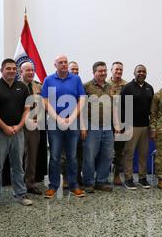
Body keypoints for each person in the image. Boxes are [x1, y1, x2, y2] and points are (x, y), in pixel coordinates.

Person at [0, 59, 33, 208]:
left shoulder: (22, 87)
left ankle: (20, 194)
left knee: (18, 165)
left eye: (14, 68)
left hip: (18, 132)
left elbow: (27, 110)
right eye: (8, 68)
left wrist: (19, 126)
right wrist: (5, 127)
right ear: (1, 70)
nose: (12, 71)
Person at [41, 55, 86, 198]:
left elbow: (82, 100)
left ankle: (73, 185)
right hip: (55, 124)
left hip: (73, 123)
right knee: (54, 156)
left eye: (65, 62)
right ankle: (53, 186)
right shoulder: (48, 80)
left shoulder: (76, 79)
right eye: (60, 62)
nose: (64, 64)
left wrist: (71, 118)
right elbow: (45, 101)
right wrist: (58, 118)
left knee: (72, 157)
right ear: (55, 65)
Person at [81, 61, 114, 193]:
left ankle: (101, 181)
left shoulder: (110, 87)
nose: (103, 73)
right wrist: (83, 127)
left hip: (107, 126)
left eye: (105, 70)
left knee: (107, 155)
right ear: (94, 72)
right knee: (89, 156)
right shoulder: (86, 86)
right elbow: (82, 108)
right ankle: (88, 182)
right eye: (100, 71)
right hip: (91, 125)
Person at [121, 64, 154, 189]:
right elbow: (122, 108)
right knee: (129, 153)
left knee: (143, 153)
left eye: (143, 71)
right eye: (139, 71)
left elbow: (152, 109)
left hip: (145, 126)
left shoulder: (149, 88)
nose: (141, 73)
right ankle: (128, 178)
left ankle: (142, 178)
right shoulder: (127, 88)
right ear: (134, 73)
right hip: (131, 126)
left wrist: (151, 126)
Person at [20, 61, 43, 195]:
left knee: (32, 156)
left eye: (32, 70)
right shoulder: (16, 86)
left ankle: (30, 183)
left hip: (34, 126)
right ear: (21, 72)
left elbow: (43, 105)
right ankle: (17, 184)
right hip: (20, 126)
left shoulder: (38, 86)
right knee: (17, 156)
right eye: (27, 70)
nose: (30, 72)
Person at [108, 61, 127, 185]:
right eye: (116, 69)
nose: (119, 72)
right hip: (105, 121)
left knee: (119, 151)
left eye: (121, 70)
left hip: (122, 121)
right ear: (111, 70)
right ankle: (100, 175)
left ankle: (116, 175)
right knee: (104, 150)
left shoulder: (127, 85)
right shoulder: (105, 84)